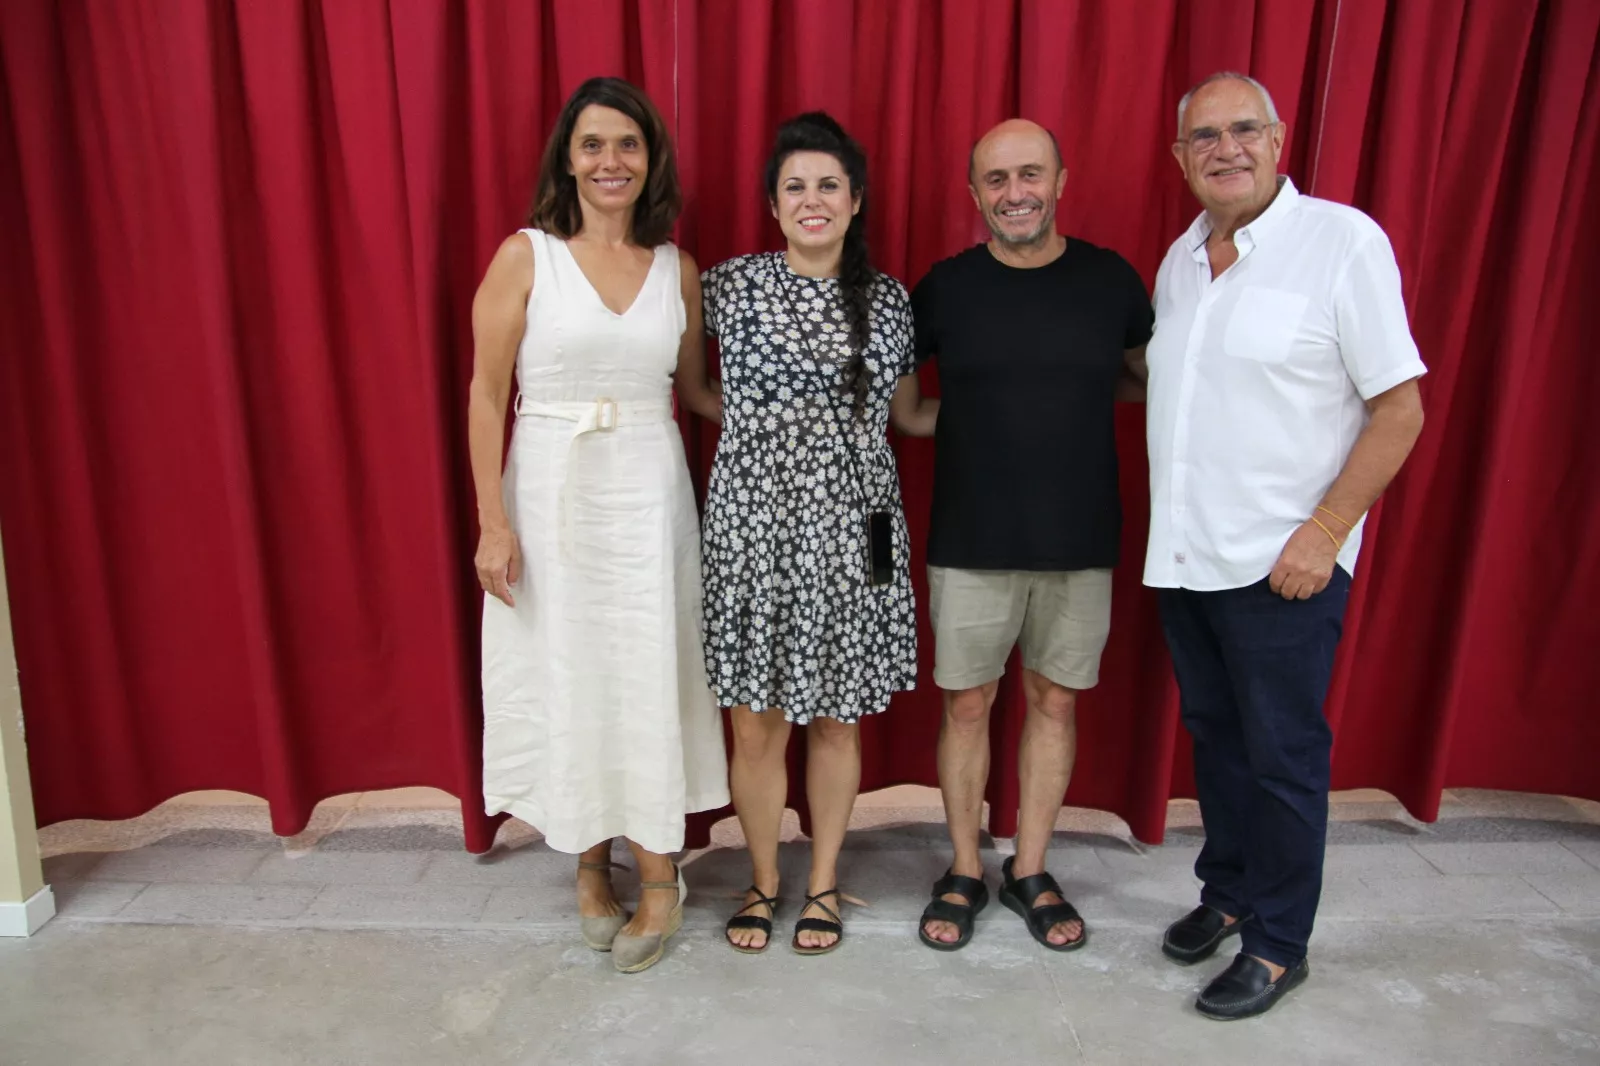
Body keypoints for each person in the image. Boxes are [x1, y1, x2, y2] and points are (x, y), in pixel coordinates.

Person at [1146, 72, 1426, 1019]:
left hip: (1285, 568)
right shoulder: (1180, 260)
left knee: (1283, 757)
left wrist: (1325, 532)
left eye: (1243, 130)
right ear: (1179, 158)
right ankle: (1227, 894)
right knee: (1217, 744)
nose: (1226, 149)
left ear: (1277, 138)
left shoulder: (1342, 242)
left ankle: (1277, 942)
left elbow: (1400, 408)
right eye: (1204, 137)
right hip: (1187, 560)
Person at [467, 76, 729, 975]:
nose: (610, 161)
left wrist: (795, 412)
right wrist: (491, 522)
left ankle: (661, 869)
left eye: (628, 144)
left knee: (647, 670)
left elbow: (694, 394)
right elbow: (484, 392)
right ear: (567, 160)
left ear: (649, 158)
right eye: (593, 145)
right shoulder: (525, 256)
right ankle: (587, 859)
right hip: (551, 487)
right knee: (569, 671)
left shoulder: (676, 268)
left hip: (651, 493)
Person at [686, 112, 935, 956]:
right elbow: (694, 393)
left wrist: (1024, 401)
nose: (813, 199)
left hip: (857, 534)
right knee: (755, 721)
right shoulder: (726, 287)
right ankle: (762, 879)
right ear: (773, 203)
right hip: (751, 531)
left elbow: (907, 417)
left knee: (836, 718)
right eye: (796, 186)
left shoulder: (892, 300)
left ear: (855, 199)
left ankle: (822, 881)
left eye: (829, 184)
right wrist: (770, 442)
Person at [910, 119, 1153, 954]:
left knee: (1055, 700)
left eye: (1031, 175)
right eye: (997, 179)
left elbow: (1141, 377)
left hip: (1079, 535)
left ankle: (1033, 867)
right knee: (967, 703)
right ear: (973, 193)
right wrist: (989, 418)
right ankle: (967, 866)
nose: (1016, 193)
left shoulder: (1112, 281)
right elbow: (908, 408)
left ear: (1060, 180)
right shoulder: (943, 287)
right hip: (970, 534)